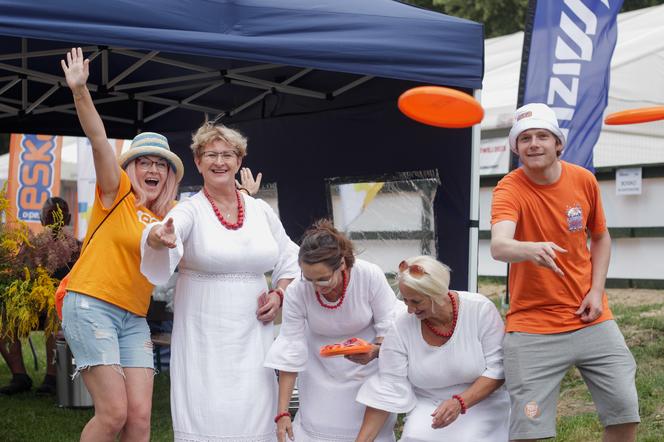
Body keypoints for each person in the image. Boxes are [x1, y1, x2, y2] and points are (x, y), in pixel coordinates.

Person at [141, 121, 300, 442]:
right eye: (210, 155)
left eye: (227, 154)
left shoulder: (259, 211)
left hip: (254, 332)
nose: (219, 162)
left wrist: (279, 293)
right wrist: (159, 236)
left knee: (254, 404)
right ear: (197, 163)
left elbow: (291, 258)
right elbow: (165, 231)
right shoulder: (191, 210)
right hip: (204, 333)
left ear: (239, 161)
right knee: (208, 406)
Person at [490, 103, 640, 441]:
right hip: (532, 326)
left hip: (589, 318)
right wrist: (529, 248)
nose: (534, 144)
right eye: (525, 138)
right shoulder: (509, 189)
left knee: (625, 411)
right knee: (530, 430)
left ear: (558, 143)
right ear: (517, 149)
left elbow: (600, 237)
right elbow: (499, 245)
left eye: (542, 136)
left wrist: (597, 292)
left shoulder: (583, 180)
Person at [60, 47, 184, 442]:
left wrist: (243, 198)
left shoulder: (172, 215)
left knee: (140, 420)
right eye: (145, 161)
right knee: (113, 414)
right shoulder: (115, 195)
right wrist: (80, 90)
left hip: (133, 318)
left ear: (168, 175)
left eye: (161, 164)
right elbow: (98, 139)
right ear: (131, 168)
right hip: (91, 304)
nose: (153, 168)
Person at [264, 220, 400, 442]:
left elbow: (390, 328)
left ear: (343, 265)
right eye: (309, 279)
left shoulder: (369, 275)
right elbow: (290, 351)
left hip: (367, 374)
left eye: (323, 279)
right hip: (319, 378)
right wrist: (282, 413)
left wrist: (375, 351)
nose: (316, 286)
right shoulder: (299, 290)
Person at [355, 256, 509, 441]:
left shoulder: (479, 309)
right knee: (413, 437)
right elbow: (389, 385)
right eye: (405, 301)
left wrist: (460, 402)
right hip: (429, 406)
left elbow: (498, 369)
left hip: (481, 403)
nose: (410, 310)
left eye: (416, 302)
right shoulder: (401, 326)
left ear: (437, 293)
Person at [0, 197, 79, 396]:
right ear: (42, 219)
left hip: (60, 307)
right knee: (2, 319)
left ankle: (51, 379)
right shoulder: (32, 244)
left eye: (57, 215)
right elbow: (19, 274)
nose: (53, 220)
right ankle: (20, 376)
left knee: (56, 313)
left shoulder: (77, 247)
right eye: (49, 215)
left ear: (67, 218)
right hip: (32, 306)